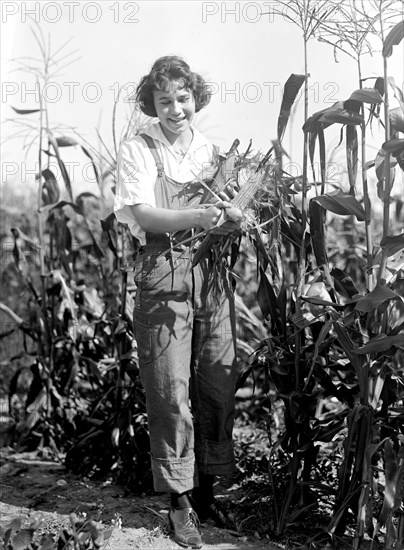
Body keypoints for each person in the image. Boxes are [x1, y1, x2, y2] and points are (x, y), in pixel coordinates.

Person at [114, 56, 238, 549]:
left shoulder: (210, 151)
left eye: (183, 98)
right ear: (152, 103)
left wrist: (233, 216)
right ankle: (179, 500)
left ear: (195, 98)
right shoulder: (139, 148)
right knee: (170, 387)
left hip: (213, 271)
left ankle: (209, 487)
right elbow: (144, 214)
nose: (175, 108)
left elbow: (222, 211)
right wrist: (205, 214)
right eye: (164, 100)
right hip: (163, 268)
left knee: (217, 381)